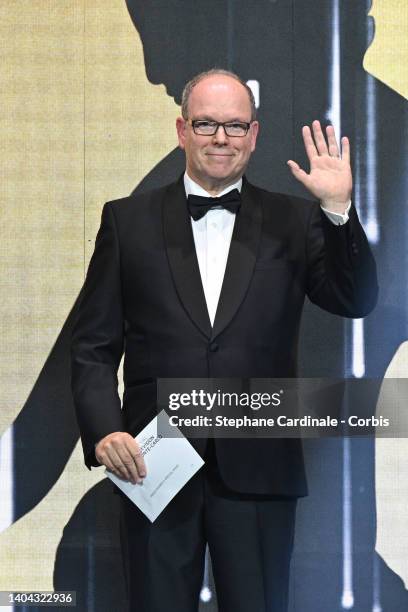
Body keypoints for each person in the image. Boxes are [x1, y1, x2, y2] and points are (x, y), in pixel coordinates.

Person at [71, 69, 378, 612]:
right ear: (181, 129)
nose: (220, 137)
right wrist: (104, 430)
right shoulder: (127, 221)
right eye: (206, 123)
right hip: (152, 466)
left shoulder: (296, 219)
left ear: (254, 135)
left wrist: (338, 210)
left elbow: (355, 301)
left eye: (234, 126)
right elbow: (93, 345)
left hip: (259, 463)